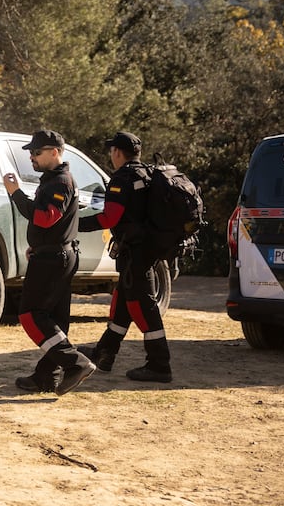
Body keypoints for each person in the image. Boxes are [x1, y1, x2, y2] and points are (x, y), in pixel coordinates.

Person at [3, 129, 97, 395]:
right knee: (56, 319)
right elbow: (52, 224)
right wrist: (39, 245)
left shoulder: (61, 182)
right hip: (54, 254)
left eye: (36, 152)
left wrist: (16, 193)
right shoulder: (54, 180)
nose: (31, 157)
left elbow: (46, 218)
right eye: (31, 152)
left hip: (54, 259)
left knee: (30, 315)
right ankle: (46, 376)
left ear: (54, 152)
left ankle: (76, 364)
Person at [78, 131, 173, 383]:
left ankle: (159, 364)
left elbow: (109, 217)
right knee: (122, 303)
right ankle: (104, 353)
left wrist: (74, 224)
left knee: (143, 306)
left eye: (112, 151)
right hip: (147, 248)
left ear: (118, 152)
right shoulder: (147, 174)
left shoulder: (122, 178)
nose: (111, 155)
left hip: (135, 252)